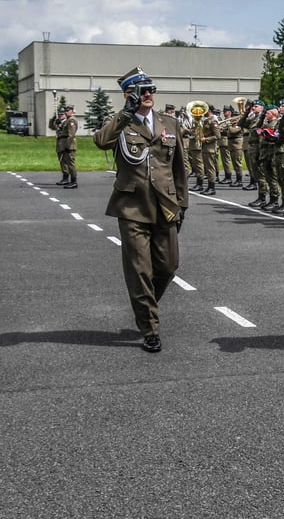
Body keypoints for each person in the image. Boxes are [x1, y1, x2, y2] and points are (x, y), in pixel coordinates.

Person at [92, 67, 189, 352]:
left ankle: (145, 304)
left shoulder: (168, 123)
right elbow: (101, 142)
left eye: (150, 90)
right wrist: (125, 113)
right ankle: (150, 327)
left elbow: (179, 167)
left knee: (169, 265)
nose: (147, 95)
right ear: (128, 94)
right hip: (132, 207)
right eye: (140, 90)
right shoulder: (121, 123)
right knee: (140, 270)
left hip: (165, 206)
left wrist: (182, 204)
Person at [56, 105, 78, 188]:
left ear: (72, 111)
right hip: (65, 143)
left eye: (68, 110)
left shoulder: (71, 120)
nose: (66, 112)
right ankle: (68, 180)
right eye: (65, 110)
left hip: (69, 145)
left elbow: (71, 135)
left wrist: (67, 146)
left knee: (71, 163)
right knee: (66, 162)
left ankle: (74, 181)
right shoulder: (67, 120)